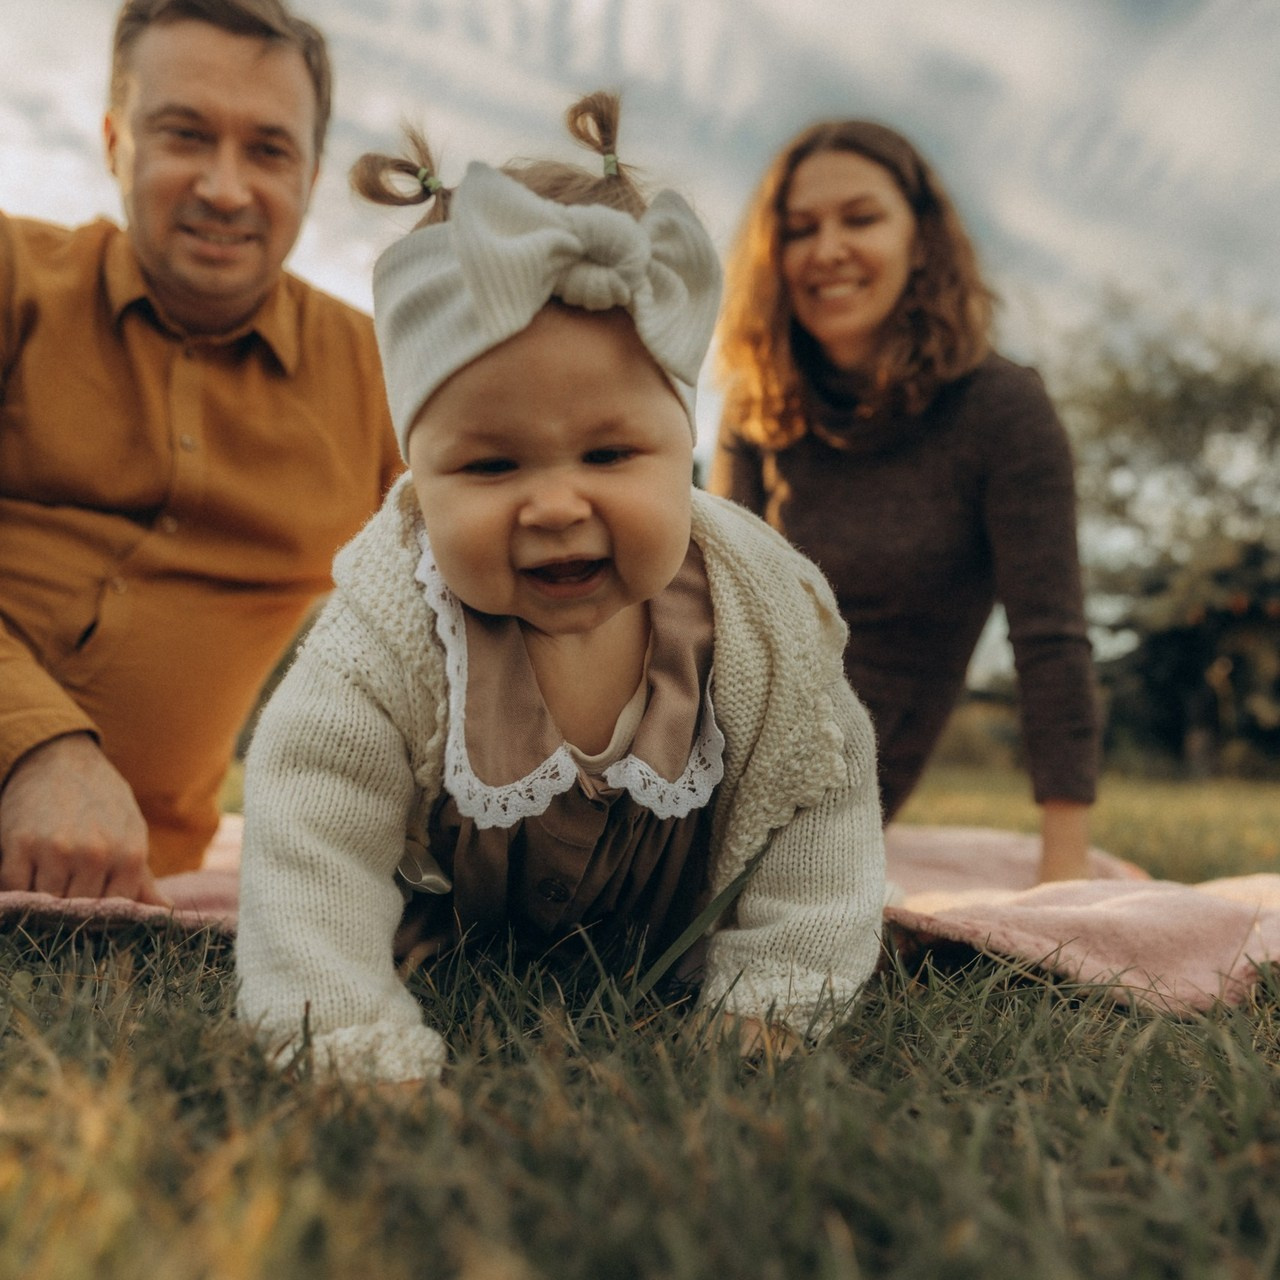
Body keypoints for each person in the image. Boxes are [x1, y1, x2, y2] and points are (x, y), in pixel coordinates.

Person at [235, 93, 886, 1083]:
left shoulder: (760, 624)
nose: (553, 504)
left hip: (678, 949)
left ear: (683, 448)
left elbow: (818, 804)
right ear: (417, 477)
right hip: (446, 944)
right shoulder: (390, 629)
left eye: (610, 453)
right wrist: (346, 1035)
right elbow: (311, 835)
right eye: (490, 466)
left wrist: (778, 999)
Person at [0, 0, 401, 900]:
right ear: (116, 141)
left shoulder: (383, 381)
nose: (225, 188)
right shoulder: (13, 275)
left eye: (268, 150)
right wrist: (35, 747)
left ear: (310, 174)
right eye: (185, 135)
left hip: (147, 891)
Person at [709, 120, 1099, 883]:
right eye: (800, 229)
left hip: (844, 771)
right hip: (712, 731)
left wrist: (1064, 870)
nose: (827, 249)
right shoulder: (756, 406)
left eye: (860, 219)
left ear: (921, 241)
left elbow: (1050, 640)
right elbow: (713, 607)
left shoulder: (1003, 409)